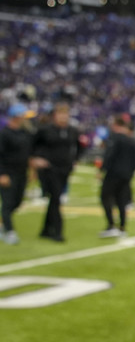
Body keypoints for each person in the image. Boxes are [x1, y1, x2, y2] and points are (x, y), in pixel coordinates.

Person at [30, 102, 82, 242]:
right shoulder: (45, 130)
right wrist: (35, 159)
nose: (63, 117)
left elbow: (79, 145)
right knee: (56, 198)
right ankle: (58, 232)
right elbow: (32, 145)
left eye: (65, 114)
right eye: (60, 114)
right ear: (54, 116)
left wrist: (75, 159)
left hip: (64, 169)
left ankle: (45, 230)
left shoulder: (72, 130)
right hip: (49, 168)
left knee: (54, 199)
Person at [98, 114, 135, 238]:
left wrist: (102, 169)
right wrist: (130, 174)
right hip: (126, 175)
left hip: (113, 173)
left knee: (105, 197)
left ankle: (111, 225)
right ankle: (122, 227)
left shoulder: (115, 138)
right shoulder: (133, 141)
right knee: (121, 200)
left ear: (116, 125)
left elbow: (110, 155)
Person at [1, 103, 35, 245]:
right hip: (8, 173)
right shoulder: (4, 133)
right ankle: (9, 231)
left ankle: (4, 225)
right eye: (23, 116)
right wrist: (2, 174)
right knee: (8, 203)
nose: (26, 119)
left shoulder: (25, 133)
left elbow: (29, 154)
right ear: (16, 117)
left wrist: (32, 171)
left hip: (21, 173)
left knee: (18, 202)